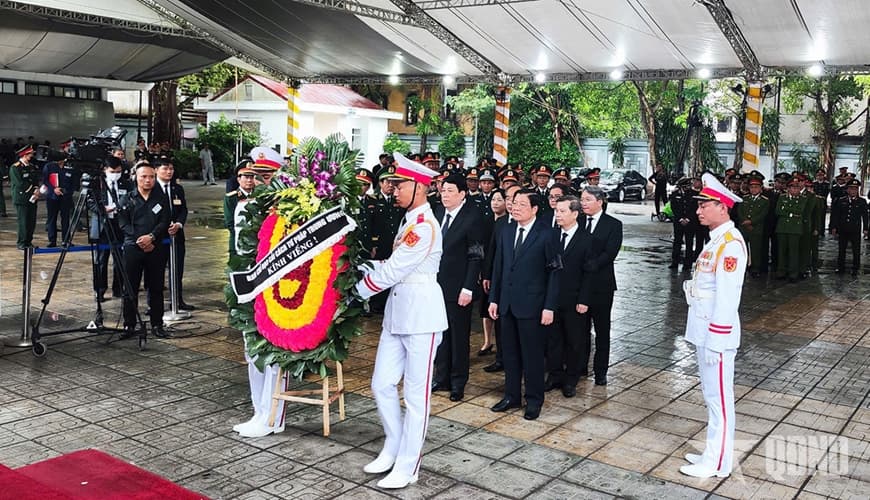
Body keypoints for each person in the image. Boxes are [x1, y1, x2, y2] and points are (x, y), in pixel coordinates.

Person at [355, 152, 447, 489]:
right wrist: (358, 267)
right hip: (398, 313)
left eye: (399, 185)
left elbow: (393, 270)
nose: (392, 190)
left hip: (422, 316)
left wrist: (356, 291)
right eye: (392, 185)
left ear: (420, 187)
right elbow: (388, 266)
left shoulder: (424, 227)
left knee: (416, 396)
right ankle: (393, 445)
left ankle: (409, 466)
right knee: (381, 383)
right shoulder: (408, 220)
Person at [680, 172, 746, 479]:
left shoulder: (730, 245)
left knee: (720, 399)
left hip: (716, 336)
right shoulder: (716, 242)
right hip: (704, 332)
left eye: (704, 205)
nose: (698, 210)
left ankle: (718, 462)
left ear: (722, 206)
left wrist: (717, 340)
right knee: (711, 397)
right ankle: (711, 452)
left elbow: (728, 298)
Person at [488, 189, 560, 421]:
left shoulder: (547, 234)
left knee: (532, 356)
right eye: (514, 203)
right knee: (509, 354)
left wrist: (549, 306)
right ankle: (511, 396)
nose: (515, 207)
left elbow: (555, 274)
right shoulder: (506, 231)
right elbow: (499, 268)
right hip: (507, 304)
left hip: (533, 306)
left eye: (521, 204)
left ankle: (534, 400)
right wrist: (494, 299)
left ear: (535, 209)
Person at [432, 174, 486, 402]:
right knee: (439, 334)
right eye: (443, 190)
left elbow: (476, 256)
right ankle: (441, 376)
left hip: (458, 288)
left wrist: (468, 288)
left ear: (462, 194)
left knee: (458, 336)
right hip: (435, 287)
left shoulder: (473, 218)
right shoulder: (436, 213)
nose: (445, 195)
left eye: (450, 191)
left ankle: (457, 381)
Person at [546, 195, 592, 397]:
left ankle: (571, 379)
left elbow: (590, 274)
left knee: (574, 340)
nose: (558, 215)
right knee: (553, 339)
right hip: (553, 298)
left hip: (575, 300)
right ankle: (555, 375)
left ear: (575, 213)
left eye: (562, 211)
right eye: (556, 211)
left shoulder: (587, 240)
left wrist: (584, 299)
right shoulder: (550, 236)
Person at [117, 163, 170, 339]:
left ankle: (157, 324)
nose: (148, 180)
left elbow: (164, 221)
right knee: (130, 288)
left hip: (156, 247)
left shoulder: (161, 198)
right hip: (133, 247)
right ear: (136, 177)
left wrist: (152, 237)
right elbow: (123, 223)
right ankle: (129, 325)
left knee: (156, 288)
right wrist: (140, 240)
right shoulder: (128, 198)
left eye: (151, 177)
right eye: (143, 176)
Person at [577, 186, 622, 385]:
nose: (583, 203)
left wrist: (589, 266)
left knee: (602, 330)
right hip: (578, 285)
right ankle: (579, 367)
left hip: (602, 285)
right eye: (582, 199)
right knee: (580, 329)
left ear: (599, 201)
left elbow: (610, 252)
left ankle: (601, 370)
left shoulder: (613, 224)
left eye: (587, 200)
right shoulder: (577, 221)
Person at [90, 157, 132, 302]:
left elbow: (130, 199)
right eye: (112, 171)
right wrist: (103, 210)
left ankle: (118, 289)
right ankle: (99, 290)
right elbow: (90, 202)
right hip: (102, 224)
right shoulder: (96, 183)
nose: (115, 174)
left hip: (119, 224)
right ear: (105, 170)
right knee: (100, 260)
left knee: (120, 259)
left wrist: (120, 207)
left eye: (118, 171)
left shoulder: (126, 184)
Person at [154, 159, 193, 310]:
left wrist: (179, 224)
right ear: (156, 170)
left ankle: (177, 300)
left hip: (176, 235)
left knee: (177, 269)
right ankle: (154, 304)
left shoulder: (177, 188)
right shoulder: (151, 187)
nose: (169, 172)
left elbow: (183, 209)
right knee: (156, 271)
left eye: (171, 169)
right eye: (165, 169)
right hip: (158, 236)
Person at [830, 179, 868, 275]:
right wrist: (834, 227)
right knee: (841, 249)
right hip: (843, 229)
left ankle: (855, 268)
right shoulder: (841, 200)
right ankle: (840, 267)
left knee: (856, 250)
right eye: (851, 189)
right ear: (847, 190)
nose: (853, 191)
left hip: (855, 229)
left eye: (855, 189)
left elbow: (865, 216)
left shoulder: (862, 202)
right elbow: (836, 215)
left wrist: (866, 229)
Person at [775, 178, 807, 282]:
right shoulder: (782, 197)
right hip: (782, 228)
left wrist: (787, 211)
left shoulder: (803, 198)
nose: (794, 190)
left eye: (797, 187)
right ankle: (781, 272)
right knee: (781, 251)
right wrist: (792, 213)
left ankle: (793, 273)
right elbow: (778, 211)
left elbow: (800, 211)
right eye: (792, 187)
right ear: (788, 188)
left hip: (795, 229)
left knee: (794, 252)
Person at [737, 176, 769, 277]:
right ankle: (743, 266)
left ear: (760, 188)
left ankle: (755, 268)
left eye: (756, 187)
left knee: (756, 249)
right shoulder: (745, 198)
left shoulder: (764, 200)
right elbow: (740, 211)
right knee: (742, 248)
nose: (753, 189)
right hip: (743, 227)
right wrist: (745, 221)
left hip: (756, 228)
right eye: (752, 187)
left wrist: (751, 222)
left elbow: (763, 214)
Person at [9, 145, 41, 249]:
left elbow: (35, 179)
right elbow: (20, 184)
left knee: (31, 221)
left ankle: (28, 241)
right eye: (30, 154)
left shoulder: (31, 166)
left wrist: (36, 189)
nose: (32, 156)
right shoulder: (15, 168)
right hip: (22, 198)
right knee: (23, 222)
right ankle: (22, 242)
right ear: (24, 155)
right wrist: (33, 190)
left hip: (32, 198)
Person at [42, 155, 77, 247]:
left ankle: (66, 240)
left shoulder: (70, 166)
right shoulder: (49, 167)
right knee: (52, 218)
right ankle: (52, 240)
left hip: (66, 197)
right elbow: (45, 180)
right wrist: (53, 189)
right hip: (52, 196)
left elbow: (74, 182)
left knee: (65, 219)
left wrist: (68, 191)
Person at [224, 164, 257, 258]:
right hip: (238, 241)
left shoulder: (259, 196)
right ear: (238, 179)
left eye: (252, 177)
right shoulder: (231, 197)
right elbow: (229, 223)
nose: (249, 180)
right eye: (246, 177)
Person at [669, 177, 697, 270]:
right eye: (685, 186)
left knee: (689, 243)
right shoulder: (675, 194)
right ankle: (675, 262)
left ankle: (687, 264)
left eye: (688, 186)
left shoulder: (694, 195)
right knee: (677, 242)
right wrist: (680, 218)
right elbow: (674, 208)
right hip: (678, 222)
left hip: (690, 222)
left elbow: (695, 208)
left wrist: (688, 219)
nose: (687, 188)